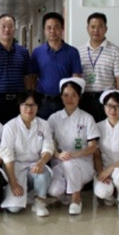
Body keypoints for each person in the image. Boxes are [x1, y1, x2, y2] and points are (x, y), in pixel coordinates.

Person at [47, 77, 100, 215]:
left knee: (70, 163)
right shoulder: (53, 118)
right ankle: (67, 192)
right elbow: (48, 143)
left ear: (79, 97)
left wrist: (74, 155)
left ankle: (76, 199)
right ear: (61, 97)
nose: (69, 99)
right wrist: (57, 155)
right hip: (59, 162)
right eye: (66, 95)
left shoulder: (87, 118)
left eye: (73, 95)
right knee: (54, 191)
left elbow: (93, 147)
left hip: (83, 164)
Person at [0, 91, 54, 217]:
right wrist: (13, 183)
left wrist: (41, 162)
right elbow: (7, 156)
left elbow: (48, 147)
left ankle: (39, 201)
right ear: (19, 106)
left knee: (42, 173)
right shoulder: (10, 126)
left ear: (38, 106)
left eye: (33, 105)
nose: (29, 109)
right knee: (14, 209)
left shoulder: (44, 124)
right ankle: (24, 193)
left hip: (35, 165)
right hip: (15, 167)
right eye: (25, 105)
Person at [0, 14, 33, 124]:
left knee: (18, 131)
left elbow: (27, 78)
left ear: (14, 29)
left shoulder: (23, 52)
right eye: (3, 26)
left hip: (18, 101)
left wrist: (28, 100)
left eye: (10, 26)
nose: (7, 29)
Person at [30, 12, 82, 119]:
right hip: (43, 101)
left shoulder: (72, 52)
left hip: (64, 101)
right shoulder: (37, 52)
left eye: (56, 27)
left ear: (62, 28)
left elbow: (76, 78)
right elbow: (32, 78)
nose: (52, 31)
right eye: (49, 27)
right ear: (44, 30)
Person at [77, 12, 119, 122]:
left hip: (107, 100)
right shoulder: (78, 52)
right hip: (84, 99)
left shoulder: (116, 51)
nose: (96, 30)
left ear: (106, 29)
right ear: (87, 29)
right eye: (92, 27)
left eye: (100, 27)